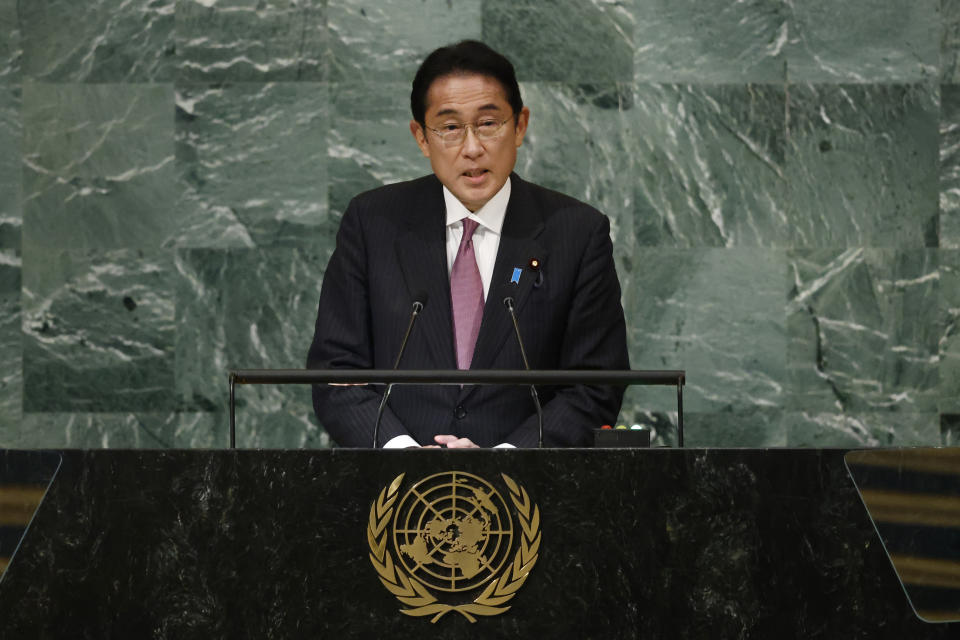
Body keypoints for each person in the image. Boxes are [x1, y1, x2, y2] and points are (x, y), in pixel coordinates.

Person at [306, 40, 629, 448]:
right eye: (451, 127)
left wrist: (507, 459)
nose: (472, 147)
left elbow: (596, 385)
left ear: (521, 126)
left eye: (489, 123)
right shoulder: (373, 223)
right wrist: (402, 453)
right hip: (389, 494)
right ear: (421, 138)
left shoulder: (577, 233)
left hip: (531, 493)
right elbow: (337, 370)